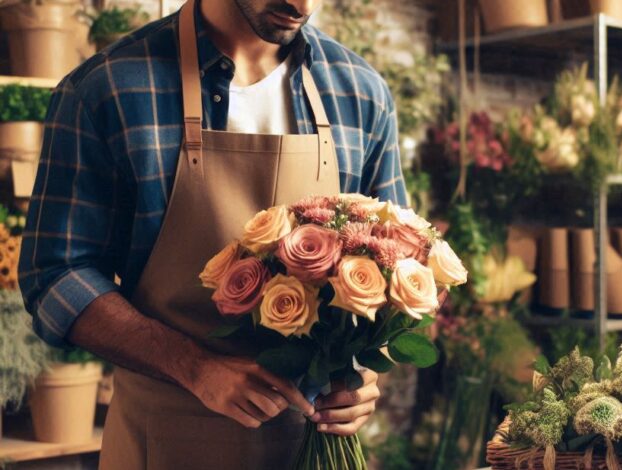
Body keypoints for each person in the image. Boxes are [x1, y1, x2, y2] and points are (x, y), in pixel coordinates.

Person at [19, 0, 407, 468]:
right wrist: (193, 366)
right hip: (163, 444)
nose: (302, 5)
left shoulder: (361, 93)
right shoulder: (107, 90)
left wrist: (361, 374)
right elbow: (55, 273)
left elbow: (395, 261)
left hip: (311, 450)